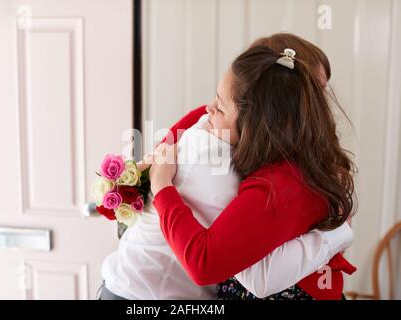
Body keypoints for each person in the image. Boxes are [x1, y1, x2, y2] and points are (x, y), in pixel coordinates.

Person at [149, 40, 357, 300]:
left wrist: (162, 187)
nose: (208, 109)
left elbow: (226, 269)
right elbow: (165, 146)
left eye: (318, 92)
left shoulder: (280, 183)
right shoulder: (228, 121)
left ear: (260, 121)